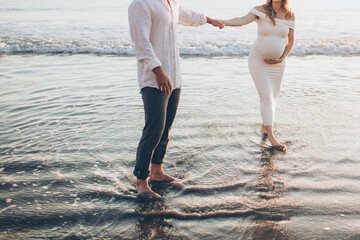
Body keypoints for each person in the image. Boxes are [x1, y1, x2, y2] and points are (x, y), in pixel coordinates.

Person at [128, 0, 224, 197]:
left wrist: (208, 20)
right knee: (153, 130)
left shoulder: (170, 3)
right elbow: (141, 42)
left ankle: (157, 172)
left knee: (165, 129)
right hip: (154, 78)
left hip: (174, 77)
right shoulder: (141, 4)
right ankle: (141, 181)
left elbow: (188, 15)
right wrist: (158, 70)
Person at [222, 0, 295, 151]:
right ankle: (271, 137)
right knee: (266, 97)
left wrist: (282, 58)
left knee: (273, 96)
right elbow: (241, 20)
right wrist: (223, 22)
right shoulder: (260, 10)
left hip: (278, 64)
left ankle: (265, 126)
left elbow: (291, 41)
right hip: (258, 61)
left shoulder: (289, 14)